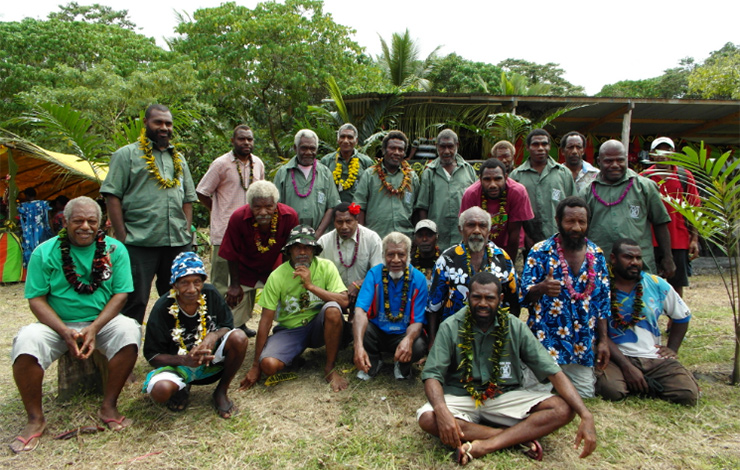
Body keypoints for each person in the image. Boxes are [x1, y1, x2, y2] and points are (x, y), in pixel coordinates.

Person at [417, 272, 597, 465]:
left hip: (504, 396)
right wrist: (442, 411)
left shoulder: (514, 326)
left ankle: (487, 445)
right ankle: (514, 437)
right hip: (461, 396)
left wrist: (585, 415)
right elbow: (432, 375)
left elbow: (552, 371)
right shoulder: (451, 326)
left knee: (563, 409)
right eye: (477, 297)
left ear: (501, 299)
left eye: (490, 298)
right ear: (468, 296)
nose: (483, 303)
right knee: (428, 418)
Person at [10, 196, 140, 453]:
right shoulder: (44, 251)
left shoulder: (115, 250)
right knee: (26, 342)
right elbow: (35, 299)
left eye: (92, 221)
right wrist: (64, 331)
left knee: (130, 331)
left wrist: (94, 328)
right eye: (78, 221)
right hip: (56, 325)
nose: (85, 227)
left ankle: (109, 407)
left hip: (101, 322)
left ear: (100, 224)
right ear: (65, 222)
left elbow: (121, 295)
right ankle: (35, 420)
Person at [101, 104, 197, 324]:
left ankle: (174, 346)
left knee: (177, 296)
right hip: (139, 241)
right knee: (135, 299)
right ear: (145, 123)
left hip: (176, 242)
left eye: (168, 123)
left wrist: (185, 229)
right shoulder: (126, 155)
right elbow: (112, 195)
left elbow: (188, 199)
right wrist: (122, 236)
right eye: (158, 122)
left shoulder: (179, 159)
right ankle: (127, 349)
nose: (164, 127)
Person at [239, 225, 349, 392]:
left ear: (314, 250)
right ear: (289, 251)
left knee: (333, 309)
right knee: (268, 366)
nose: (303, 252)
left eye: (307, 247)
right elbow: (265, 320)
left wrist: (310, 286)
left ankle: (330, 367)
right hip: (290, 329)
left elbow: (344, 301)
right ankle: (292, 357)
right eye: (297, 247)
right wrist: (256, 365)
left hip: (318, 326)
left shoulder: (326, 267)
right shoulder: (277, 275)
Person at [520, 196, 610, 398]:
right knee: (534, 397)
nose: (576, 228)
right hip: (545, 346)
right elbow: (523, 297)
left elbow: (602, 303)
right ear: (558, 220)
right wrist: (541, 288)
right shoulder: (540, 252)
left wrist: (603, 341)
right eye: (570, 221)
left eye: (581, 222)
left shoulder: (597, 255)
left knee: (585, 395)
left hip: (581, 348)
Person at [142, 252, 248, 419]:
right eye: (184, 283)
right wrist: (184, 360)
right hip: (178, 365)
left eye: (197, 282)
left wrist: (212, 336)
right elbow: (152, 355)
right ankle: (181, 387)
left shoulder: (210, 294)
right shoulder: (162, 308)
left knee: (239, 337)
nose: (192, 289)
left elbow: (228, 325)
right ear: (174, 284)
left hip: (210, 359)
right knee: (161, 391)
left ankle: (221, 392)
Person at [595, 238, 699, 405]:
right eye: (628, 257)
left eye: (638, 258)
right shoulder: (600, 285)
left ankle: (642, 383)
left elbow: (682, 316)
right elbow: (596, 333)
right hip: (616, 357)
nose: (634, 262)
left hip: (652, 357)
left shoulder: (656, 284)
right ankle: (641, 382)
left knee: (687, 393)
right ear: (613, 258)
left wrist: (672, 349)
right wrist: (627, 367)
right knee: (612, 391)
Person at [427, 207, 519, 348]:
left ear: (489, 231)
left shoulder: (502, 258)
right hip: (455, 334)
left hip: (493, 334)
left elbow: (514, 302)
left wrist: (509, 337)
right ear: (460, 229)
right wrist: (433, 341)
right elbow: (434, 305)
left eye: (482, 225)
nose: (477, 231)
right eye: (471, 225)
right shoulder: (447, 259)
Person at [583, 139, 674, 277]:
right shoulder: (587, 191)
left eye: (620, 160)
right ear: (599, 161)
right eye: (608, 161)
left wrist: (668, 258)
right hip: (600, 265)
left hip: (639, 265)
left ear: (626, 159)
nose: (615, 165)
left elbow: (660, 222)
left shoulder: (644, 186)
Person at [218, 181, 298, 336]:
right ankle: (239, 328)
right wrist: (234, 285)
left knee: (289, 302)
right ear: (250, 205)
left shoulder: (289, 216)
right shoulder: (238, 218)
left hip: (275, 268)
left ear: (276, 204)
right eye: (257, 207)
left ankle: (285, 330)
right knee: (232, 317)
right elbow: (231, 252)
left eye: (268, 206)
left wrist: (287, 278)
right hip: (244, 270)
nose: (263, 212)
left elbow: (292, 250)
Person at [196, 125, 265, 297]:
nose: (246, 142)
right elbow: (202, 192)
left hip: (250, 233)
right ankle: (219, 321)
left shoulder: (258, 164)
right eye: (241, 139)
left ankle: (241, 322)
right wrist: (217, 211)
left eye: (249, 139)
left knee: (248, 280)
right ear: (232, 141)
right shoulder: (221, 164)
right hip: (224, 232)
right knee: (221, 281)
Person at [353, 232, 428, 380]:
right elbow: (360, 311)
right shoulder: (374, 274)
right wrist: (358, 346)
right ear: (383, 255)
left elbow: (417, 321)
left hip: (402, 334)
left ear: (408, 255)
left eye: (401, 254)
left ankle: (402, 365)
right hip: (377, 332)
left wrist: (408, 340)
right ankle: (373, 361)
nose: (395, 260)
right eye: (390, 254)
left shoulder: (419, 279)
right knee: (362, 327)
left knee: (418, 344)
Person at [640, 137, 701, 297]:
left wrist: (694, 239)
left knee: (677, 283)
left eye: (667, 150)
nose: (663, 155)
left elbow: (694, 209)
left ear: (673, 153)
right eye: (659, 151)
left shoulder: (684, 176)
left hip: (678, 239)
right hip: (650, 240)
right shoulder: (644, 178)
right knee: (649, 282)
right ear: (652, 154)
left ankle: (676, 319)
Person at [510, 129, 575, 250]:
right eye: (535, 144)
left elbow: (572, 206)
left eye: (544, 144)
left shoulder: (563, 173)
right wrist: (524, 236)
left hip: (559, 239)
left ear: (549, 146)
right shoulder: (516, 176)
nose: (540, 148)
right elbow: (513, 212)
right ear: (528, 147)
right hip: (529, 242)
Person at [459, 158, 535, 261]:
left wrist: (508, 266)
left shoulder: (517, 192)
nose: (492, 185)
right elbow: (467, 230)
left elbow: (514, 234)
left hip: (512, 246)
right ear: (480, 179)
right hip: (478, 245)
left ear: (506, 177)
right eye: (487, 179)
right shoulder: (471, 194)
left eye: (498, 179)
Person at [415, 129, 477, 250]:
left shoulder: (468, 170)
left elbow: (475, 203)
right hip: (438, 238)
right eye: (442, 147)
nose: (446, 151)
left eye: (450, 146)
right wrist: (426, 234)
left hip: (462, 236)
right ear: (437, 146)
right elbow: (422, 206)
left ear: (457, 145)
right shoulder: (429, 172)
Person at [318, 201, 383, 314]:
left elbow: (379, 272)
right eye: (339, 222)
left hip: (365, 295)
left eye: (348, 221)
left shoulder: (372, 238)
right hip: (333, 299)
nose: (344, 226)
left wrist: (359, 284)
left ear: (356, 220)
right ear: (333, 222)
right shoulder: (324, 242)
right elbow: (318, 276)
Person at [274, 129, 340, 237]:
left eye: (312, 148)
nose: (308, 152)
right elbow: (276, 207)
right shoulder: (283, 173)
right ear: (295, 148)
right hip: (289, 238)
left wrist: (317, 235)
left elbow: (332, 206)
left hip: (319, 238)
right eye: (304, 148)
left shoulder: (325, 173)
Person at [354, 130, 420, 239]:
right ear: (384, 150)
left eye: (400, 149)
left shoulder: (412, 177)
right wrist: (361, 236)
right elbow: (359, 207)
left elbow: (417, 210)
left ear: (404, 153)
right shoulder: (370, 175)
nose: (397, 152)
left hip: (404, 239)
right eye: (392, 148)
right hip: (375, 239)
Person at [319, 123, 375, 203]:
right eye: (342, 137)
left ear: (356, 141)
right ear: (338, 140)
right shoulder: (326, 161)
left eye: (350, 137)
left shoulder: (366, 162)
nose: (345, 141)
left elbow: (372, 189)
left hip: (358, 210)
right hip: (333, 210)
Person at [410, 219, 440, 290]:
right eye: (420, 235)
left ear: (437, 237)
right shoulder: (410, 262)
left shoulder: (444, 260)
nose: (424, 239)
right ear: (415, 239)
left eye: (429, 235)